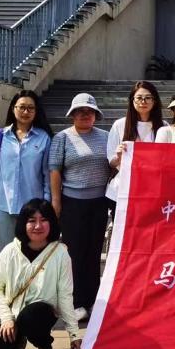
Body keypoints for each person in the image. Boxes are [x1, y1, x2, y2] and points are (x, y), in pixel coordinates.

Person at [0, 199, 80, 349]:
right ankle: (18, 342)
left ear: (52, 223)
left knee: (31, 316)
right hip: (13, 311)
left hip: (41, 313)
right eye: (32, 221)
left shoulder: (60, 253)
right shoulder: (10, 251)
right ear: (23, 223)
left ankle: (45, 347)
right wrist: (6, 318)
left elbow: (65, 295)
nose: (38, 226)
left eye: (44, 220)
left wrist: (74, 334)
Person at [49, 93, 111, 322]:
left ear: (96, 115)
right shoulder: (62, 138)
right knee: (74, 253)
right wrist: (56, 201)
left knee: (93, 252)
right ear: (72, 114)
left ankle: (92, 300)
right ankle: (76, 302)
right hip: (72, 203)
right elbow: (54, 170)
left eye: (89, 111)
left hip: (99, 203)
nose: (85, 115)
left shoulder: (106, 137)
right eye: (80, 111)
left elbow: (113, 165)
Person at [0, 90, 53, 254]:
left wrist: (46, 205)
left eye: (30, 108)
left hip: (33, 208)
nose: (26, 112)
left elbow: (47, 176)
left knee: (31, 255)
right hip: (2, 206)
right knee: (4, 255)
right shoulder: (0, 136)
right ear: (13, 108)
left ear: (36, 111)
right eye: (22, 107)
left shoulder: (44, 138)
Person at [106, 81, 167, 200]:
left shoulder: (164, 127)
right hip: (123, 188)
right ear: (132, 100)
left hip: (153, 189)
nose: (143, 101)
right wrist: (118, 157)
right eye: (139, 98)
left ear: (154, 101)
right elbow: (111, 162)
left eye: (148, 97)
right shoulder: (120, 125)